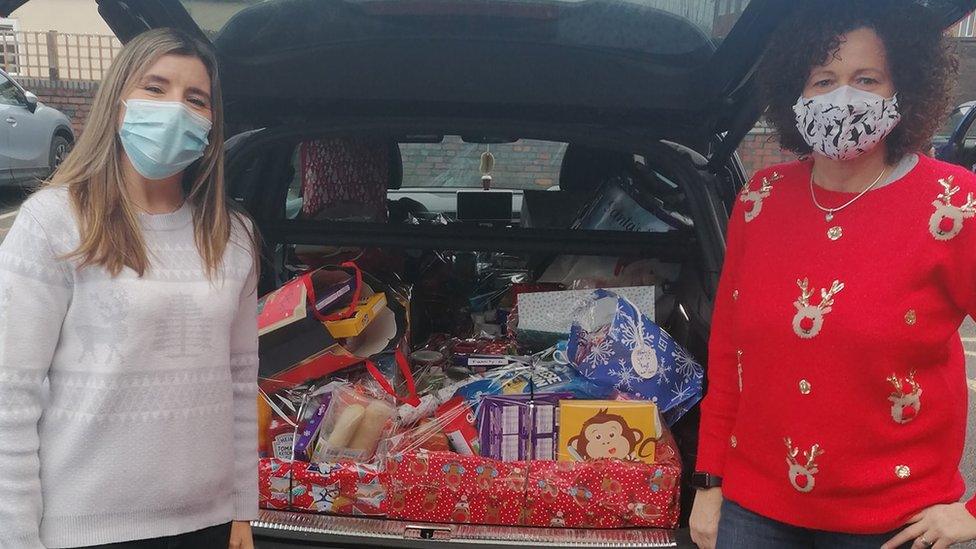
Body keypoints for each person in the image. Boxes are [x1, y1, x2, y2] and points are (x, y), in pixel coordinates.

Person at [689, 2, 976, 548]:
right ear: (796, 95)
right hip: (754, 511)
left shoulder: (955, 204)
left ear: (903, 86)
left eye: (866, 78)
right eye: (824, 79)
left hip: (893, 523)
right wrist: (709, 483)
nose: (843, 96)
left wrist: (975, 512)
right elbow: (729, 352)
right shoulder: (761, 199)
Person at [0, 28, 259, 548]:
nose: (174, 110)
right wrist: (16, 536)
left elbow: (238, 384)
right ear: (118, 103)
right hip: (86, 530)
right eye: (155, 88)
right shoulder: (54, 222)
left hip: (206, 525)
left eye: (195, 99)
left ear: (211, 123)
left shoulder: (233, 237)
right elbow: (11, 396)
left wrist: (241, 510)